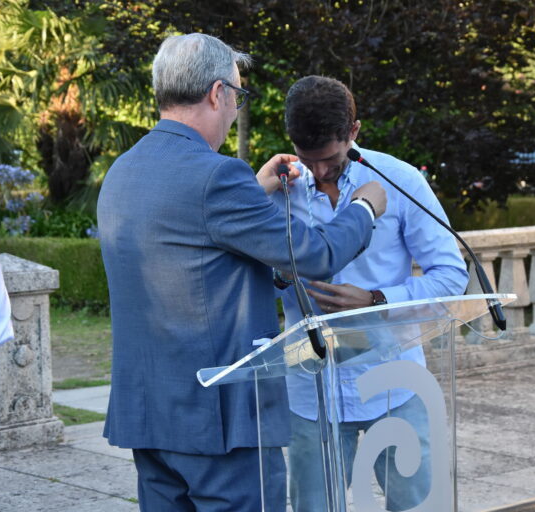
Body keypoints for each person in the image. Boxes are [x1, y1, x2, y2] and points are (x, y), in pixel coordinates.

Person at [97, 37, 387, 512]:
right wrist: (364, 208)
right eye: (238, 93)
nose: (235, 106)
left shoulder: (122, 171)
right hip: (222, 422)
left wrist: (253, 191)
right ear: (217, 93)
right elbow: (315, 255)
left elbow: (194, 257)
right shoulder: (218, 176)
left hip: (150, 415)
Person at [263, 75, 469, 511]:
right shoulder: (274, 187)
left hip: (395, 385)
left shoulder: (400, 179)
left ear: (354, 131)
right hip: (310, 392)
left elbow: (452, 276)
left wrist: (377, 299)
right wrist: (279, 275)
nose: (318, 172)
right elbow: (248, 276)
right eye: (308, 159)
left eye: (330, 160)